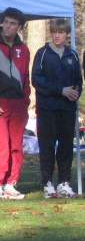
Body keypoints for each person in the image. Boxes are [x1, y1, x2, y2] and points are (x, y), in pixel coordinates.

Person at [0, 8, 30, 200]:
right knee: (1, 143)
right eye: (6, 22)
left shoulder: (23, 49)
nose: (8, 26)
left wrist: (26, 101)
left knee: (16, 144)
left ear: (20, 27)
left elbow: (26, 78)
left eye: (13, 23)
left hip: (18, 103)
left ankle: (11, 183)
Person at [32, 19, 81, 199]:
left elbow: (78, 81)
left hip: (67, 110)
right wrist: (60, 91)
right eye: (54, 32)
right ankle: (47, 183)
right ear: (51, 33)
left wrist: (74, 93)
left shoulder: (72, 56)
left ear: (67, 34)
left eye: (61, 32)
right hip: (47, 109)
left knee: (66, 146)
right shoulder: (43, 53)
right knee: (47, 146)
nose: (57, 35)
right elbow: (37, 81)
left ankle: (64, 183)